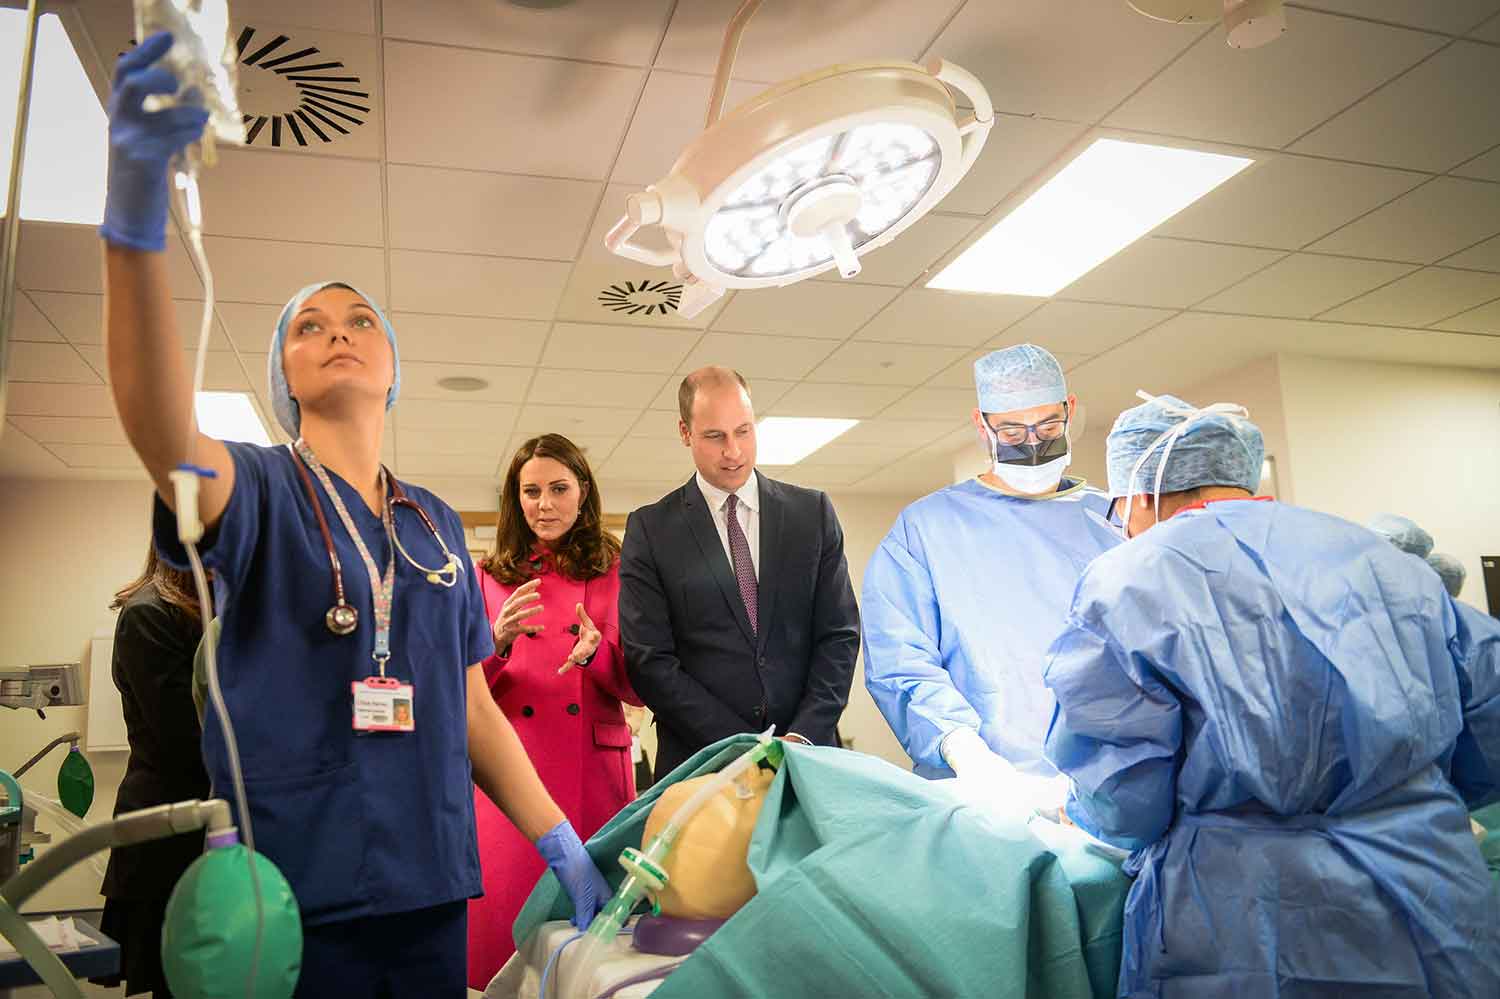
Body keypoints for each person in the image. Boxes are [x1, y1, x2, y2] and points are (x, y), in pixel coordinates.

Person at [100, 34, 607, 995]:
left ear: (393, 369)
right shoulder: (253, 487)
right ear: (284, 378)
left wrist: (555, 834)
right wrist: (133, 217)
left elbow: (468, 706)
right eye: (308, 325)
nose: (338, 330)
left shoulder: (435, 528)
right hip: (288, 897)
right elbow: (162, 429)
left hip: (427, 884)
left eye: (361, 319)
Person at [1042, 392, 1500, 998]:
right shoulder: (1389, 563)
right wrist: (1396, 803)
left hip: (1248, 914)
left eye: (1117, 511)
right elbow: (1487, 735)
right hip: (1431, 895)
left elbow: (1126, 800)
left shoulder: (1132, 576)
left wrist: (1073, 811)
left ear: (1140, 494)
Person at [861, 344, 1118, 800]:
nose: (1034, 445)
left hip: (1107, 784)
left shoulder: (1113, 520)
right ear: (982, 425)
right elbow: (901, 663)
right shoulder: (927, 529)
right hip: (986, 792)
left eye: (1048, 425)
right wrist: (965, 752)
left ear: (1069, 409)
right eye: (1013, 431)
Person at [619, 366, 860, 776]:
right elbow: (650, 660)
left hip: (808, 757)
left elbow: (839, 635)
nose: (733, 451)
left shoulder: (811, 514)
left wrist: (802, 735)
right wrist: (746, 747)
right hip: (701, 763)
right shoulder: (651, 529)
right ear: (685, 432)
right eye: (715, 436)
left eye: (744, 431)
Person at [468, 434, 642, 985]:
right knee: (505, 942)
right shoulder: (486, 577)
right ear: (515, 501)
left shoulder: (618, 570)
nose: (544, 504)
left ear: (583, 492)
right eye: (531, 491)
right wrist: (493, 643)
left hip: (593, 778)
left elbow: (641, 688)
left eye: (558, 489)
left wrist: (599, 654)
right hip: (509, 778)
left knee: (595, 954)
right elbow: (460, 690)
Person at [94, 545, 210, 998]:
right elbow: (182, 734)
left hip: (204, 820)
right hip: (168, 824)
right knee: (178, 979)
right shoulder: (149, 613)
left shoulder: (216, 611)